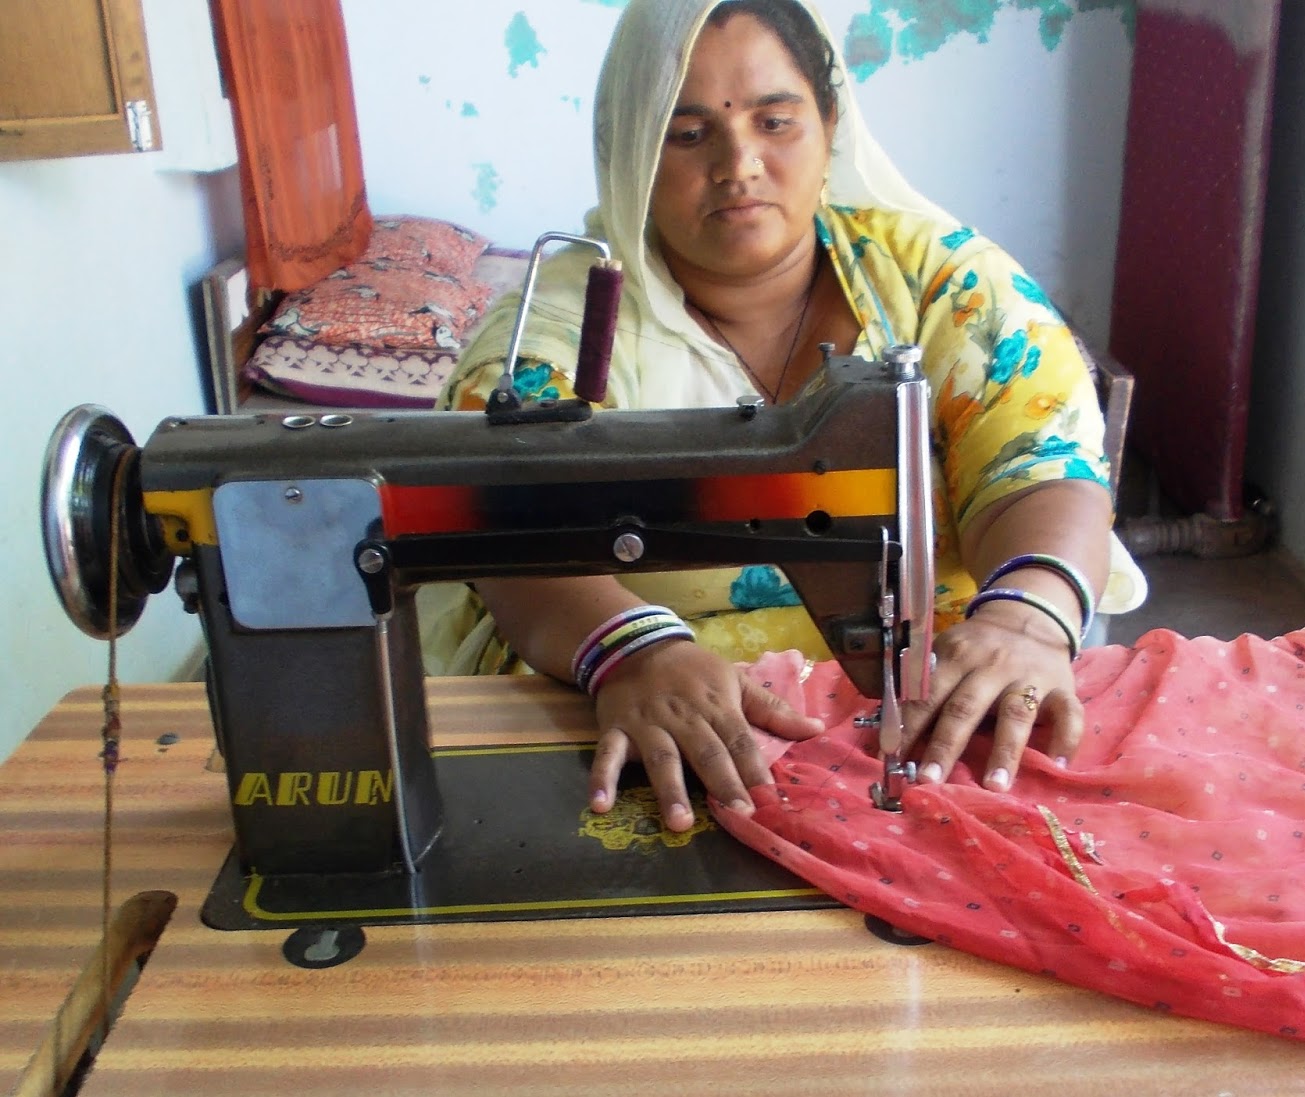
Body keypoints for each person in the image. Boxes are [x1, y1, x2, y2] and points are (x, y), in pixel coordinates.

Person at [423, 0, 1146, 833]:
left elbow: (1041, 462)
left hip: (939, 699)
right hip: (646, 705)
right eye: (688, 134)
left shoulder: (942, 283)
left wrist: (1024, 616)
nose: (739, 165)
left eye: (775, 121)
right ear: (631, 149)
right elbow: (506, 530)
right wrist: (630, 648)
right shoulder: (561, 336)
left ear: (830, 123)